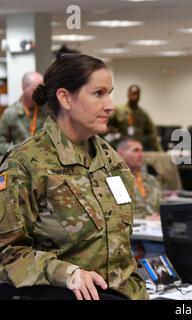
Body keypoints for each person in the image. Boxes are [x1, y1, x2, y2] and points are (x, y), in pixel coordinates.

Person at [0, 54, 148, 300]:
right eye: (98, 93)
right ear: (65, 98)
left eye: (110, 93)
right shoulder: (25, 164)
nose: (110, 105)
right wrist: (66, 273)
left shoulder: (112, 161)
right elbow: (6, 253)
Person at [0, 71, 46, 156]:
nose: (40, 94)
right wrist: (19, 151)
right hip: (19, 163)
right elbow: (1, 143)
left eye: (42, 90)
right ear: (24, 87)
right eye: (35, 90)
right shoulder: (10, 114)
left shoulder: (46, 112)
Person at [107, 84, 162, 151]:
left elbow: (152, 133)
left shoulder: (143, 113)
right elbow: (107, 125)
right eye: (132, 94)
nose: (135, 97)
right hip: (121, 146)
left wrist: (160, 151)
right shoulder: (119, 110)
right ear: (128, 94)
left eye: (137, 94)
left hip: (138, 147)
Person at [117, 138, 162, 219]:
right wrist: (144, 218)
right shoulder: (116, 181)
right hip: (135, 227)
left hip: (157, 226)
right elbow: (118, 214)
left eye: (141, 150)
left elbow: (162, 205)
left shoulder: (151, 179)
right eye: (135, 150)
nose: (141, 154)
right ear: (121, 154)